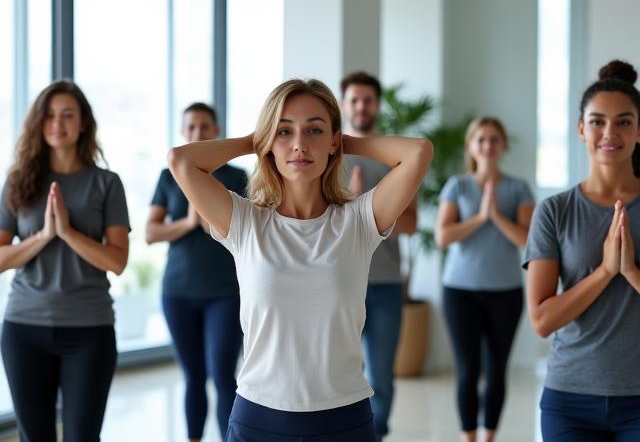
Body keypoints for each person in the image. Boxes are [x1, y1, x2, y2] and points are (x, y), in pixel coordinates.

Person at [167, 78, 432, 441]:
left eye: (314, 130)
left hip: (344, 420)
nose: (299, 145)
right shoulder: (245, 222)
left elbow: (418, 152)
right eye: (284, 131)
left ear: (334, 140)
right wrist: (257, 138)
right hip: (259, 419)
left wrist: (338, 142)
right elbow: (181, 160)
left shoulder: (357, 221)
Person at [0, 80, 130, 442]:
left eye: (68, 114)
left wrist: (69, 232)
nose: (58, 123)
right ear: (38, 123)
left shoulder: (107, 183)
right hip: (23, 328)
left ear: (83, 122)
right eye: (50, 115)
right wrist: (43, 236)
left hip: (89, 331)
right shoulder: (18, 183)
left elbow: (117, 261)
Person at [524, 59, 640, 441]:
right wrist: (606, 272)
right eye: (597, 121)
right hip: (569, 400)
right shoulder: (554, 210)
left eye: (624, 121)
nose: (610, 132)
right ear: (581, 129)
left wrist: (631, 272)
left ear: (639, 130)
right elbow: (541, 320)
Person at [146, 102, 246, 441]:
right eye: (190, 127)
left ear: (215, 132)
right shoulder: (167, 176)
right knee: (193, 376)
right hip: (178, 292)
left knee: (222, 376)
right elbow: (150, 232)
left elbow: (246, 232)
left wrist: (211, 224)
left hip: (225, 293)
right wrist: (188, 223)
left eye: (204, 127)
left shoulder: (236, 177)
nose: (197, 133)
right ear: (182, 132)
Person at [435, 116, 534, 442]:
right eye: (481, 140)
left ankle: (488, 436)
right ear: (472, 146)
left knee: (496, 370)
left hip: (505, 292)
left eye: (494, 139)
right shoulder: (457, 186)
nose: (488, 145)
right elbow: (443, 236)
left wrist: (496, 216)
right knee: (467, 370)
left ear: (503, 146)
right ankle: (469, 437)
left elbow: (527, 240)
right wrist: (480, 217)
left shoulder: (518, 188)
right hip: (459, 292)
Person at [340, 71, 417, 439]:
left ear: (377, 104)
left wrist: (368, 207)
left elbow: (412, 224)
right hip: (338, 283)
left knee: (382, 376)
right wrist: (353, 203)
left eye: (367, 100)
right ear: (344, 104)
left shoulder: (394, 158)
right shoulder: (328, 156)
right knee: (337, 373)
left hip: (385, 284)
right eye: (354, 100)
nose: (361, 106)